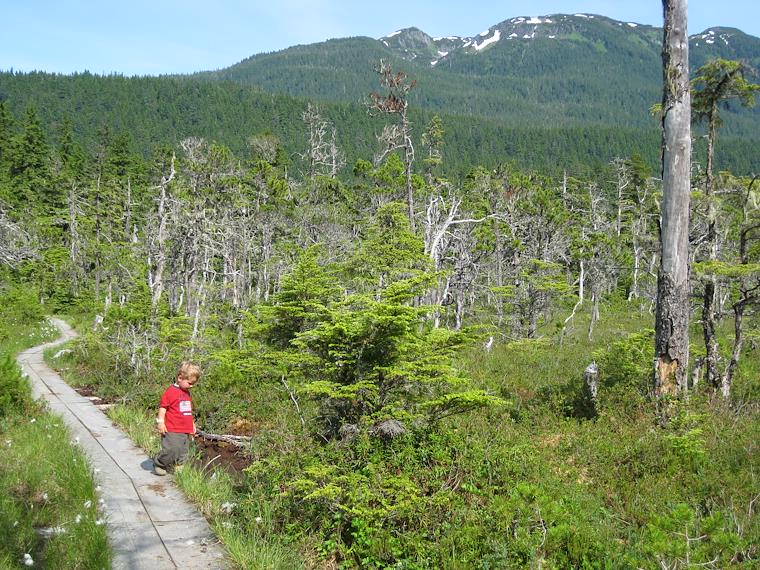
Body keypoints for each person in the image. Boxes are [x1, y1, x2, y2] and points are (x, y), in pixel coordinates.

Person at [152, 361, 200, 476]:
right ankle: (160, 463)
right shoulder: (170, 392)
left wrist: (192, 425)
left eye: (193, 383)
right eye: (190, 383)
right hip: (172, 428)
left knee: (183, 449)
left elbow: (188, 411)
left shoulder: (187, 393)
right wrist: (160, 422)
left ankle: (179, 465)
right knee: (172, 448)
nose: (192, 386)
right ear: (180, 378)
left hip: (185, 428)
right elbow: (163, 407)